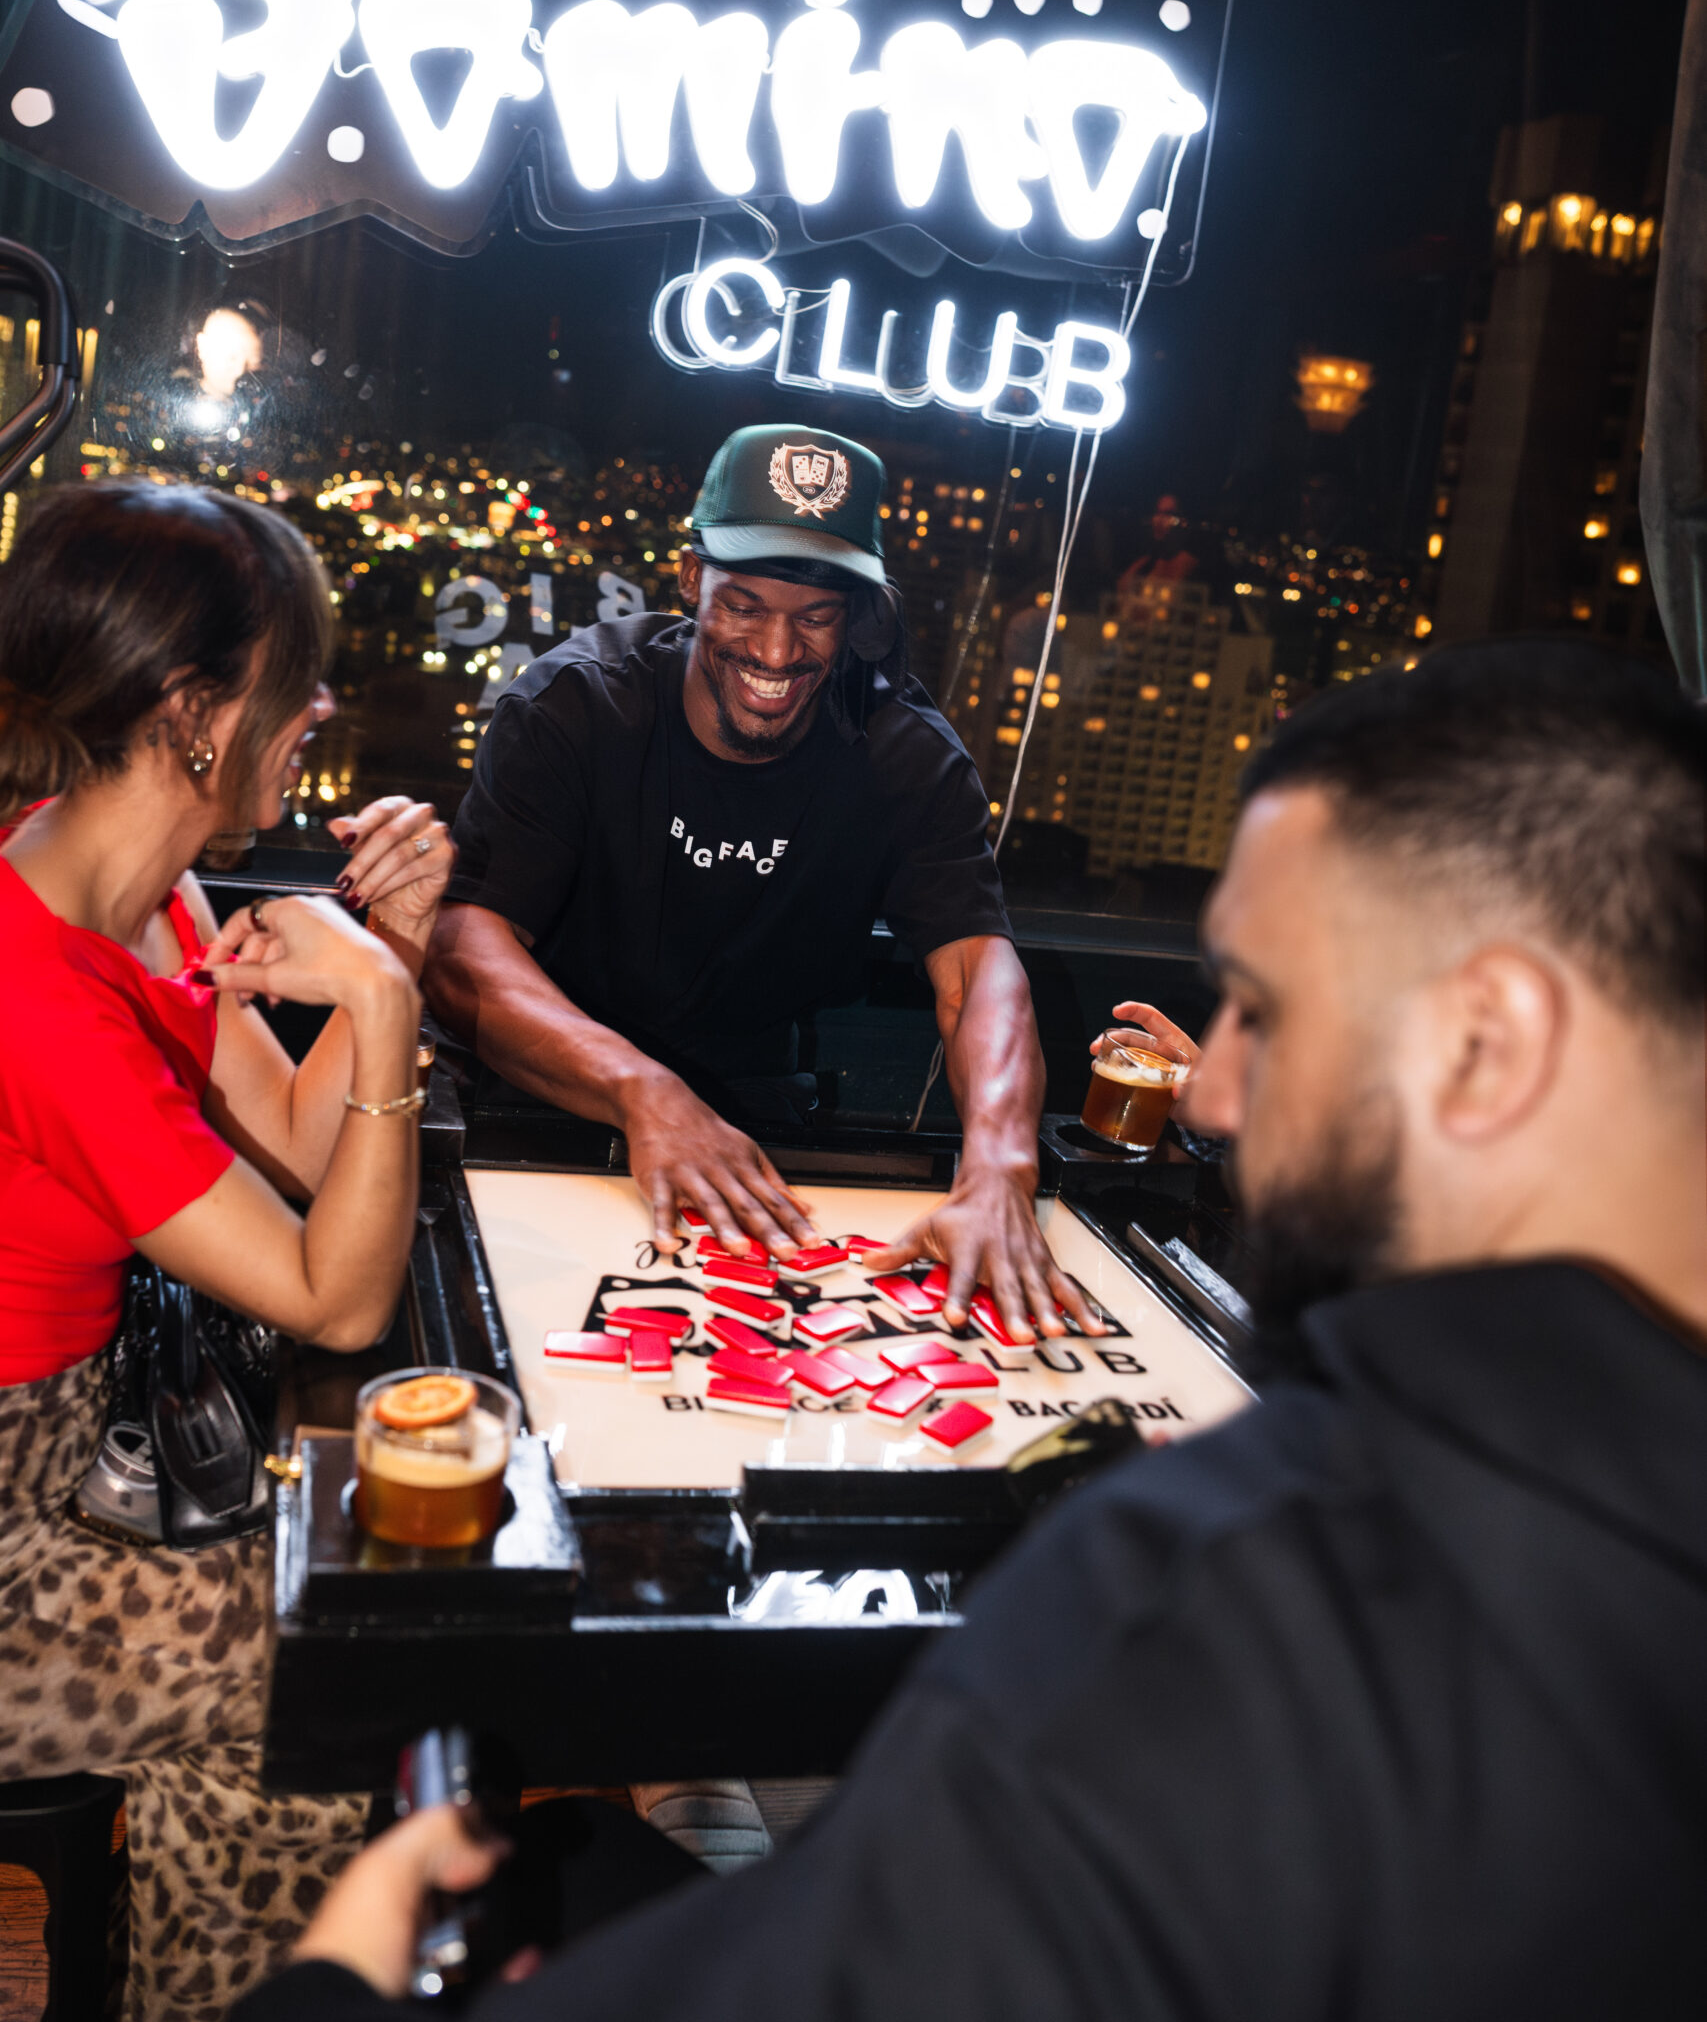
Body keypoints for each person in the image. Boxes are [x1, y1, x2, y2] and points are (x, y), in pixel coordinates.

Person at [243, 638, 1703, 2021]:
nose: (1207, 1090)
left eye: (1261, 1010)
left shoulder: (1221, 1583)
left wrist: (334, 1990)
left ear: (1490, 1041)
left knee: (552, 1876)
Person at [0, 479, 456, 2022]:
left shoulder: (147, 894)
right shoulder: (38, 994)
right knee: (312, 1663)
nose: (316, 706)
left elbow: (303, 1164)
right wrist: (384, 1005)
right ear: (196, 715)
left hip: (67, 1462)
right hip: (10, 1526)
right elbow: (341, 1299)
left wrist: (388, 950)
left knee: (318, 1614)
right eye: (293, 679)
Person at [427, 424, 1096, 1344]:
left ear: (855, 616)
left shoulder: (903, 755)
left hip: (750, 1113)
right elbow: (462, 946)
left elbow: (978, 972)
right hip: (532, 1092)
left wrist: (1000, 1168)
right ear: (690, 579)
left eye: (814, 617)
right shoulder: (578, 703)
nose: (777, 653)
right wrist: (641, 1090)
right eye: (743, 607)